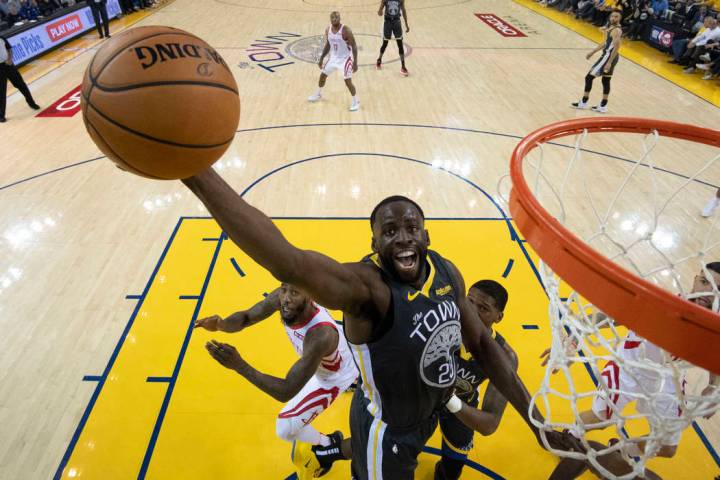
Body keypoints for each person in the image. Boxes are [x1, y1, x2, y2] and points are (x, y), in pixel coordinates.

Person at [180, 162, 580, 479]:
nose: (403, 237)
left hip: (429, 416)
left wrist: (538, 425)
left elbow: (485, 348)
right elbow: (287, 260)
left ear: (426, 236)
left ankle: (335, 450)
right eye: (389, 231)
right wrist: (195, 171)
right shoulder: (364, 289)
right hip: (386, 427)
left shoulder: (447, 272)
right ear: (374, 244)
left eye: (411, 228)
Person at [542, 262, 720, 479]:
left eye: (717, 290)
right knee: (600, 417)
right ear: (695, 279)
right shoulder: (662, 303)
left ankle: (621, 450)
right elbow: (610, 316)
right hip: (631, 366)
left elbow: (716, 366)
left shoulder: (714, 325)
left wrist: (713, 391)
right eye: (705, 282)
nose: (707, 292)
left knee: (667, 447)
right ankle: (569, 438)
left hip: (669, 377)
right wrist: (572, 342)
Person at [195, 284, 358, 477]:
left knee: (285, 429)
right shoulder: (284, 299)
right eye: (284, 289)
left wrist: (240, 366)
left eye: (294, 293)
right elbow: (247, 317)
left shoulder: (320, 335)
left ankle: (328, 444)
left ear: (309, 296)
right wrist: (221, 324)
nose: (286, 298)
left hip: (334, 376)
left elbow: (286, 390)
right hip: (338, 348)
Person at [434, 280, 518, 480]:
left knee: (451, 470)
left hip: (461, 405)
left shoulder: (504, 357)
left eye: (483, 308)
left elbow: (489, 424)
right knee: (401, 455)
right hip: (423, 399)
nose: (471, 311)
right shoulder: (437, 324)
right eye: (469, 302)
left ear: (499, 317)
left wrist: (449, 401)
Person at [571, 9, 622, 113]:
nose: (613, 18)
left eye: (616, 16)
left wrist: (609, 62)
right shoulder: (611, 27)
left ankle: (584, 103)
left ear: (620, 18)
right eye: (612, 16)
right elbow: (605, 43)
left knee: (589, 77)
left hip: (608, 57)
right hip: (609, 56)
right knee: (605, 80)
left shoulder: (616, 30)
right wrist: (593, 52)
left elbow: (617, 47)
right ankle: (603, 106)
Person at [308, 11, 359, 112]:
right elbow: (328, 45)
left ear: (340, 18)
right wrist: (322, 58)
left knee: (347, 81)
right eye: (332, 18)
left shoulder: (346, 30)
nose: (334, 19)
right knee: (322, 76)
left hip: (345, 59)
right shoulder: (328, 30)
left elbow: (354, 46)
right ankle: (318, 93)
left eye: (336, 18)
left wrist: (355, 62)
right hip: (334, 58)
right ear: (330, 19)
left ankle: (355, 101)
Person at [0, 34, 39, 123]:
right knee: (1, 92)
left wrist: (10, 59)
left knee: (21, 85)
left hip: (8, 65)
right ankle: (1, 115)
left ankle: (32, 103)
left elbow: (9, 49)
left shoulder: (2, 38)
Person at [375, 0, 409, 76]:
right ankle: (379, 59)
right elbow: (379, 13)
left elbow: (403, 10)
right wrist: (380, 10)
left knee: (400, 44)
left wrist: (406, 24)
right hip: (387, 23)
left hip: (397, 22)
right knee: (385, 43)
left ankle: (403, 66)